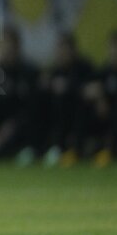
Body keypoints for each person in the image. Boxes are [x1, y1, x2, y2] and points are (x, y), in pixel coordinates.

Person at [0, 25, 41, 163]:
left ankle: (28, 150)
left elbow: (31, 106)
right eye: (2, 44)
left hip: (21, 127)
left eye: (9, 43)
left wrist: (12, 125)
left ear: (17, 46)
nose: (6, 48)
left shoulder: (28, 71)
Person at [40, 32, 93, 167]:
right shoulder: (54, 71)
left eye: (64, 49)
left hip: (81, 114)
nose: (61, 53)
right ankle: (49, 147)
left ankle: (75, 148)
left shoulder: (84, 68)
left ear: (73, 50)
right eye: (59, 49)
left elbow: (90, 89)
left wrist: (69, 87)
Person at [85, 29, 117, 167]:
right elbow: (89, 88)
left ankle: (110, 147)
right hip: (109, 119)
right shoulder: (105, 71)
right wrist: (100, 98)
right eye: (112, 49)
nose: (115, 52)